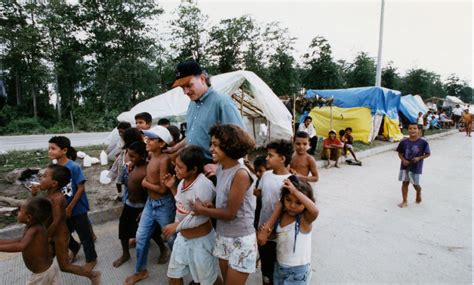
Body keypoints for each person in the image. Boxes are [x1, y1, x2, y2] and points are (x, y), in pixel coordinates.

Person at [191, 124, 257, 285]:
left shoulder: (240, 174)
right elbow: (224, 203)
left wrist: (202, 210)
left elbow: (230, 213)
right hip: (223, 235)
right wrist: (211, 207)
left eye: (215, 145)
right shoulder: (221, 168)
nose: (210, 148)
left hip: (240, 239)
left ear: (229, 146)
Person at [166, 60, 245, 176]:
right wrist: (174, 149)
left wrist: (218, 167)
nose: (185, 92)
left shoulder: (222, 102)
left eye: (189, 85)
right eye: (182, 87)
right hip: (193, 167)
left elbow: (240, 140)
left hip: (212, 169)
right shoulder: (192, 104)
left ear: (202, 79)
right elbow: (193, 136)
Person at [162, 145, 222, 285]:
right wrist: (172, 187)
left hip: (200, 242)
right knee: (174, 275)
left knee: (209, 280)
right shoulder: (183, 181)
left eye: (180, 167)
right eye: (175, 165)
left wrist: (177, 226)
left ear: (194, 169)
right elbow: (182, 204)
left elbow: (200, 216)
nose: (175, 169)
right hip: (183, 239)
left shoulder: (203, 186)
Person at [33, 164, 100, 284]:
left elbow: (58, 220)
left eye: (44, 176)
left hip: (60, 236)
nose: (40, 178)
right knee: (45, 260)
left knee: (65, 266)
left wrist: (47, 236)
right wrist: (34, 193)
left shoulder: (58, 199)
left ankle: (93, 275)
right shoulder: (49, 194)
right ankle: (49, 279)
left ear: (54, 183)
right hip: (53, 233)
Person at [125, 126, 175, 285]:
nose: (147, 141)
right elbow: (139, 161)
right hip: (150, 204)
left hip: (163, 204)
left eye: (152, 139)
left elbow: (162, 188)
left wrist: (144, 183)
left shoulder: (164, 160)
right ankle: (141, 271)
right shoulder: (150, 156)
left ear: (161, 144)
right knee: (141, 237)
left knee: (171, 239)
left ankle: (180, 270)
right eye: (147, 138)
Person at [47, 136, 98, 271]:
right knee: (63, 233)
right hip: (61, 208)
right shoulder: (53, 168)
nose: (50, 151)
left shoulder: (73, 167)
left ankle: (91, 258)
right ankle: (74, 247)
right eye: (49, 148)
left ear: (64, 150)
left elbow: (80, 187)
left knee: (84, 234)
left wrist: (70, 207)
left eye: (53, 148)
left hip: (77, 208)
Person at [258, 176, 319, 285]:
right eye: (288, 200)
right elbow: (279, 237)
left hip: (297, 272)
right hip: (279, 267)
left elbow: (314, 211)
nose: (292, 205)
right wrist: (266, 233)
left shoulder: (304, 220)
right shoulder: (281, 216)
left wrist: (295, 191)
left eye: (298, 202)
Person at [257, 139, 293, 285]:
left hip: (280, 233)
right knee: (267, 269)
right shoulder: (266, 175)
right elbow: (261, 194)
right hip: (262, 229)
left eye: (270, 155)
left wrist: (268, 228)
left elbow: (282, 207)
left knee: (281, 266)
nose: (266, 158)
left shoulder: (290, 181)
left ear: (282, 159)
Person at [0, 197, 60, 285]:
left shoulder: (34, 229)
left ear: (28, 217)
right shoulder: (31, 226)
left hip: (42, 275)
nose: (17, 212)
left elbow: (20, 246)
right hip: (48, 269)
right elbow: (20, 241)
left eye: (20, 210)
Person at [112, 141, 148, 268]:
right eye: (129, 156)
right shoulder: (134, 165)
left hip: (141, 207)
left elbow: (149, 194)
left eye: (132, 157)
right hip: (129, 203)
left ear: (143, 156)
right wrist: (132, 163)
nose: (129, 159)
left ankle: (163, 248)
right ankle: (125, 254)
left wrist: (145, 210)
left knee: (150, 232)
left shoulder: (146, 171)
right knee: (123, 230)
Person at [396, 123, 431, 208]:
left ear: (419, 130)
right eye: (410, 128)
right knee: (405, 183)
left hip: (416, 167)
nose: (412, 130)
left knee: (415, 184)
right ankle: (404, 201)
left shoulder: (423, 143)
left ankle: (418, 192)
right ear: (407, 130)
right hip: (404, 166)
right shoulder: (403, 142)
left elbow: (428, 154)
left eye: (415, 128)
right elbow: (400, 153)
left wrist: (419, 158)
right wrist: (403, 160)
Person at [107, 121, 132, 201]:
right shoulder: (121, 139)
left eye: (122, 131)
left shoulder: (130, 140)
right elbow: (118, 150)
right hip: (120, 160)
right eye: (119, 132)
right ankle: (120, 194)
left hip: (127, 161)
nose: (120, 133)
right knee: (118, 179)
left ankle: (127, 193)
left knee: (127, 178)